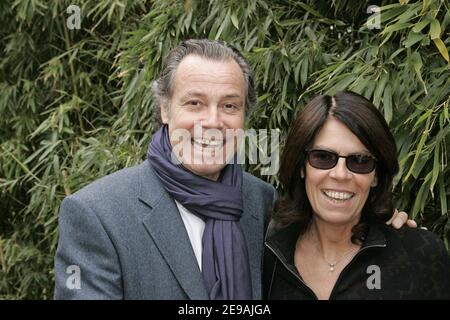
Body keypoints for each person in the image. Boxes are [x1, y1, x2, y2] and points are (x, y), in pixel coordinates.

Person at [54, 39, 413, 300]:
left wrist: (386, 234)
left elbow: (328, 248)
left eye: (229, 105)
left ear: (244, 117)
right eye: (195, 103)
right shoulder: (98, 214)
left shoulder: (263, 202)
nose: (212, 122)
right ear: (165, 110)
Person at [263, 91, 450, 299]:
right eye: (323, 157)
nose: (340, 174)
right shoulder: (267, 255)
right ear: (302, 167)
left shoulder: (419, 256)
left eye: (360, 161)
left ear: (376, 175)